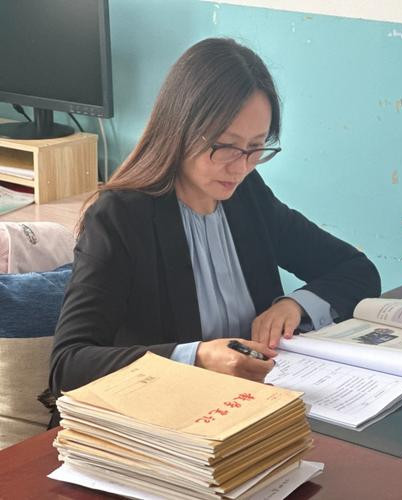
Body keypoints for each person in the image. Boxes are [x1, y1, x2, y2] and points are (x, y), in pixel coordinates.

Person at [49, 38, 381, 407]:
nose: (240, 167)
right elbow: (69, 365)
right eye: (225, 146)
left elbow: (356, 270)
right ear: (180, 128)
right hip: (162, 414)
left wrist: (295, 305)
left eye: (256, 147)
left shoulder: (247, 196)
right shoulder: (120, 218)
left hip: (249, 405)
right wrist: (196, 356)